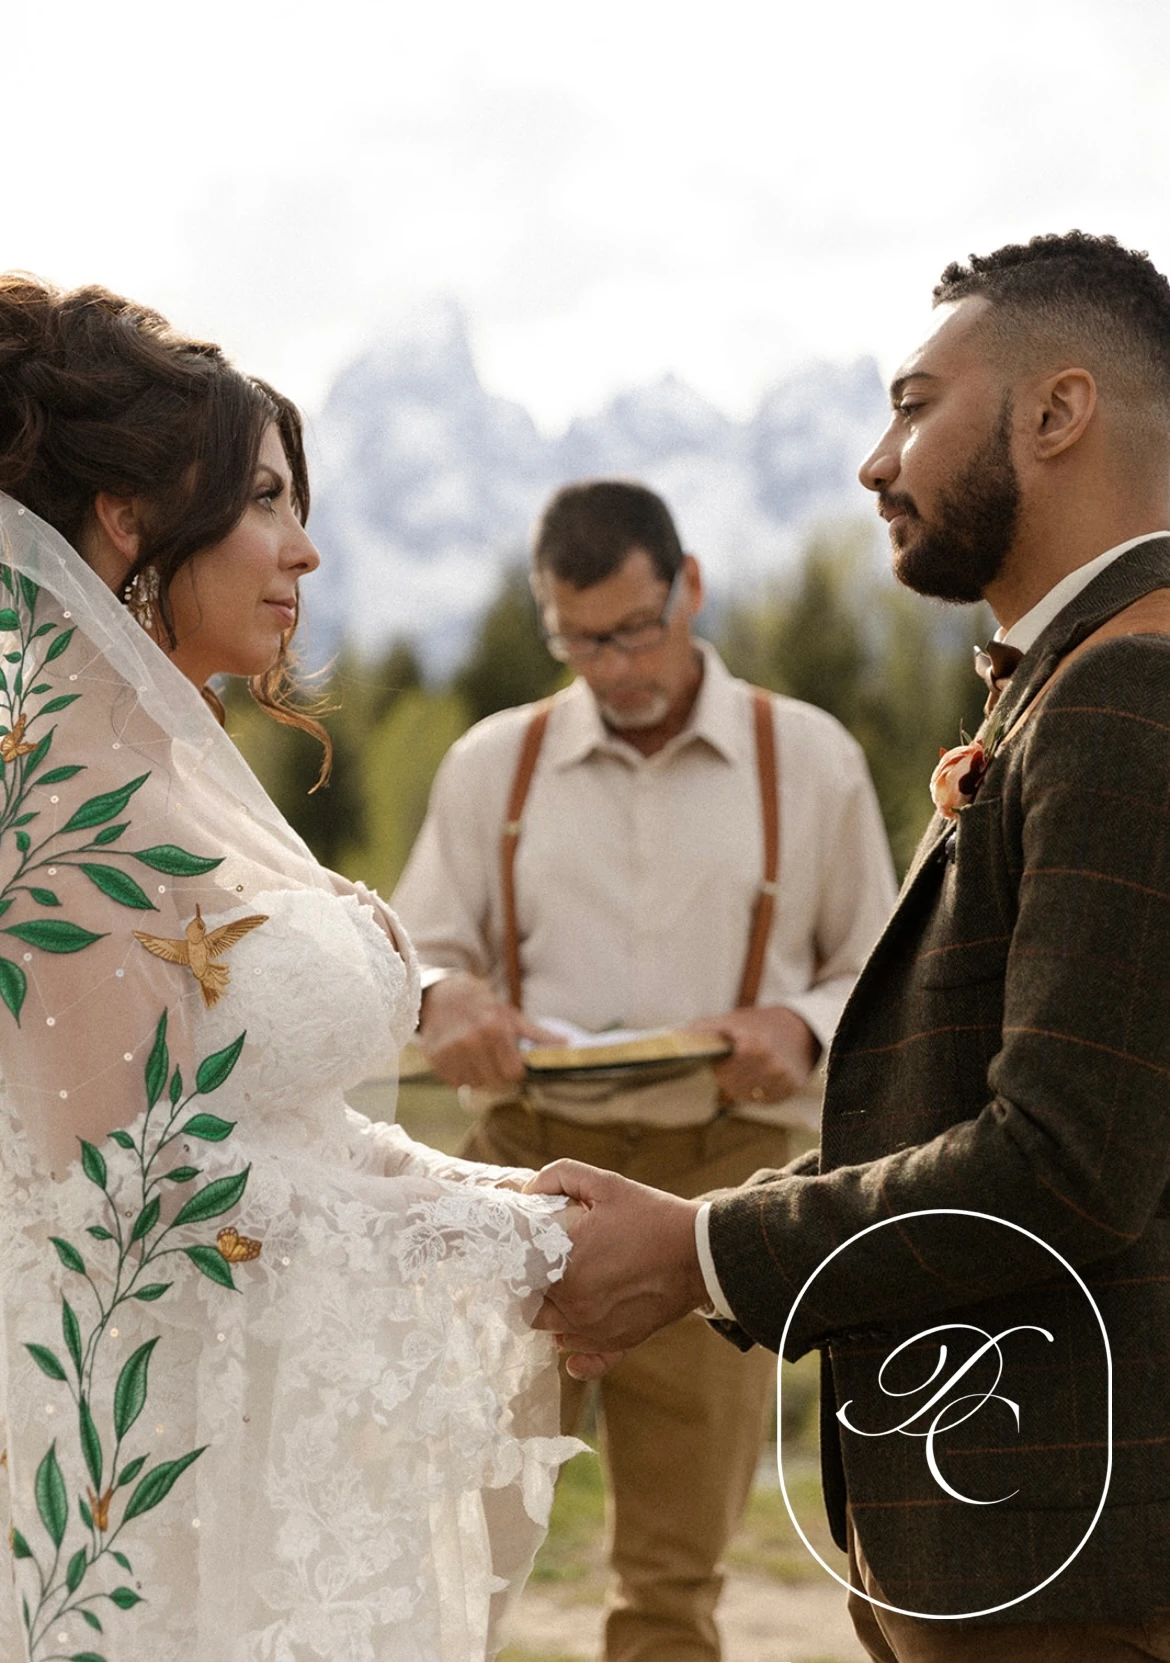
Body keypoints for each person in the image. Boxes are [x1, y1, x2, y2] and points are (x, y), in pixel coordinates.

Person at [524, 232, 1170, 1662]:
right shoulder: (1077, 682)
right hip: (1014, 1535)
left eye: (912, 402)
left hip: (1072, 1563)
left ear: (1057, 414)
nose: (876, 461)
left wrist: (697, 1249)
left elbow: (1061, 1161)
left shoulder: (1129, 693)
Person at [0, 275, 586, 1663]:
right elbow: (126, 1184)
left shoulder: (185, 776)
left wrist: (487, 1187)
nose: (303, 550)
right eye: (262, 501)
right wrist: (506, 1242)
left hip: (246, 1434)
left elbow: (278, 1121)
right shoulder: (58, 801)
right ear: (131, 522)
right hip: (136, 1463)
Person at [391, 479, 896, 1661]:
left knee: (675, 1580)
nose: (612, 668)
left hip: (710, 1182)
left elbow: (877, 967)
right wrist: (439, 996)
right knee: (451, 1548)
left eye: (633, 630)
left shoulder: (807, 757)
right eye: (577, 641)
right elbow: (411, 948)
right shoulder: (491, 763)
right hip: (517, 1171)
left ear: (691, 589)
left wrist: (804, 1025)